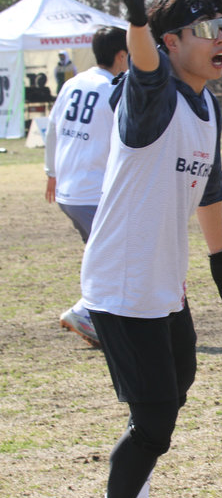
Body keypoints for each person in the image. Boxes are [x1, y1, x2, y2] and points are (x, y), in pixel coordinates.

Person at [88, 0, 222, 498]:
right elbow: (144, 69)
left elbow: (209, 187)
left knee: (174, 390)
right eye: (205, 29)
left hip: (165, 282)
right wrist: (137, 23)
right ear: (170, 42)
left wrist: (219, 256)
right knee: (155, 418)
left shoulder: (208, 105)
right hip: (122, 283)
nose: (221, 39)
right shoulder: (152, 97)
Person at [44, 26, 128, 348]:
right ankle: (84, 313)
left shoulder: (73, 83)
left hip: (69, 190)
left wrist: (51, 172)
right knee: (118, 256)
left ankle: (104, 319)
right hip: (94, 192)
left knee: (103, 255)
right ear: (122, 56)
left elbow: (53, 129)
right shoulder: (114, 90)